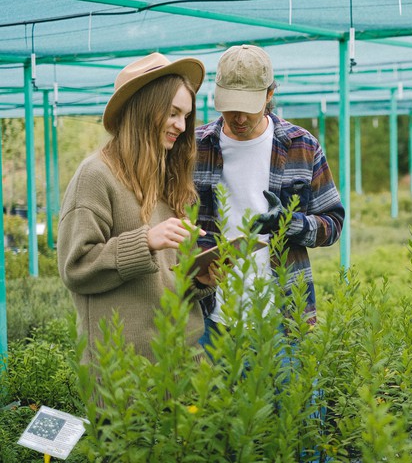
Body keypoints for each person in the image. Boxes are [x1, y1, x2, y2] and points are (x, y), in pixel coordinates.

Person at [57, 52, 216, 364]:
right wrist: (144, 242)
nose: (182, 126)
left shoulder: (169, 179)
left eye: (185, 115)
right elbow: (75, 268)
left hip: (183, 359)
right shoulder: (95, 175)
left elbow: (166, 281)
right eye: (173, 113)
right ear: (146, 109)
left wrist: (199, 279)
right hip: (128, 372)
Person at [194, 44, 344, 343]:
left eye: (248, 107)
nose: (238, 118)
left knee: (288, 390)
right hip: (209, 314)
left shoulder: (302, 146)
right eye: (230, 106)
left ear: (270, 95)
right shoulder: (195, 147)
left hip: (283, 315)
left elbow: (333, 224)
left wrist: (290, 223)